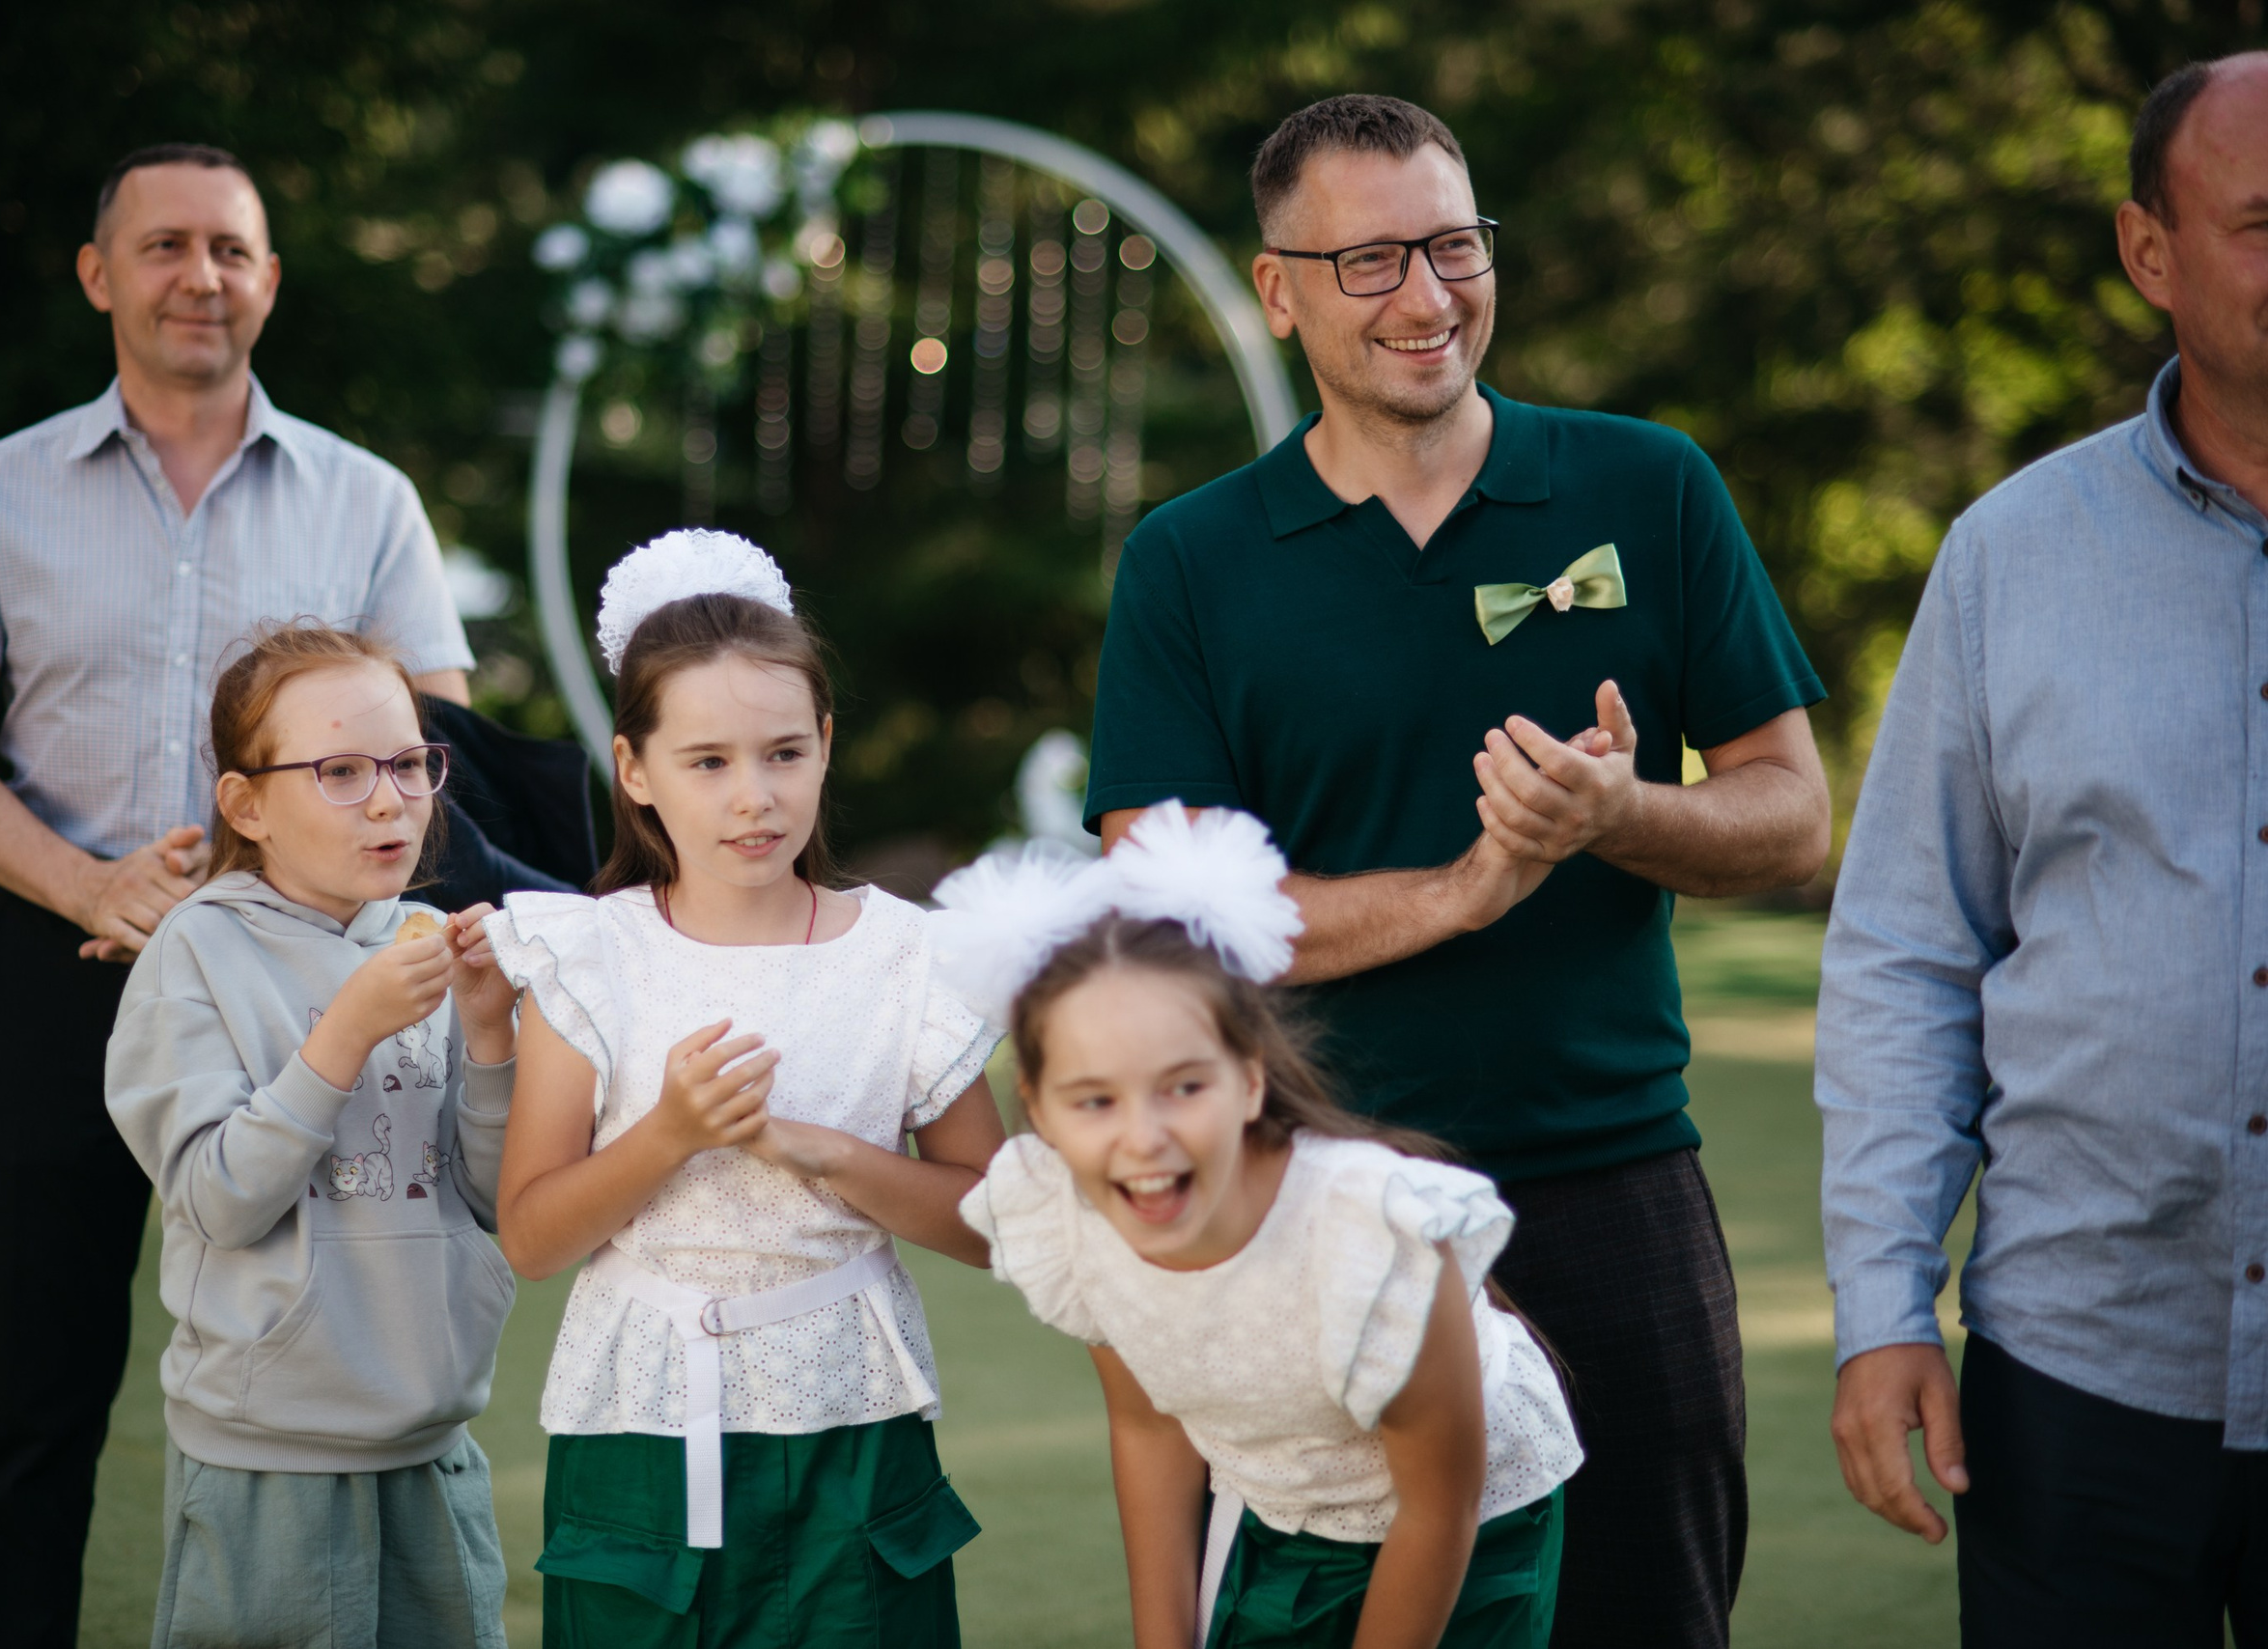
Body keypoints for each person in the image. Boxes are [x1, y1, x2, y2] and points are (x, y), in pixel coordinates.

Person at [1084, 94, 1829, 1647]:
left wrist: (1615, 818)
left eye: (1453, 244)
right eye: (1369, 263)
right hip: (1304, 1207)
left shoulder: (1650, 487)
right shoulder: (1191, 560)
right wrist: (1466, 887)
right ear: (1278, 291)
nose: (1428, 297)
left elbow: (1790, 814)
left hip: (1615, 1180)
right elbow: (1167, 922)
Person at [0, 142, 474, 1646]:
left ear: (268, 280)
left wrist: (269, 875)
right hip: (54, 961)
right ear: (100, 275)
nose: (197, 275)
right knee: (37, 1390)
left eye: (228, 248)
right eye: (163, 246)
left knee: (318, 1347)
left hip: (306, 976)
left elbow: (432, 741)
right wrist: (94, 881)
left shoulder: (368, 497)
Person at [1817, 53, 2268, 1646]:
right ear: (2152, 251)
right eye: (2265, 222)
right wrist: (1881, 1310)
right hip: (2078, 1381)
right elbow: (1908, 952)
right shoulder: (2011, 555)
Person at [483, 529, 1009, 1648]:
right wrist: (667, 1133)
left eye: (782, 753)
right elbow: (529, 1236)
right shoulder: (588, 953)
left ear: (825, 745)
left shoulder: (908, 955)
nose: (753, 797)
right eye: (707, 761)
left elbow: (999, 1222)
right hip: (639, 1432)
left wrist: (834, 1157)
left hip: (851, 1425)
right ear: (635, 771)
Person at [941, 803, 1582, 1649]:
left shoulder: (1369, 1236)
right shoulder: (1072, 1217)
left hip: (1471, 1529)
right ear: (1040, 1111)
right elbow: (1148, 1422)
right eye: (1095, 1099)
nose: (1143, 1138)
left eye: (1184, 1087)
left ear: (1248, 1081)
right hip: (1283, 1506)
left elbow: (1440, 1507)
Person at [105, 624, 518, 1647]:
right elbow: (218, 1195)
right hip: (266, 1452)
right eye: (339, 770)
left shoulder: (427, 942)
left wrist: (488, 1034)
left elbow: (492, 1194)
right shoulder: (194, 950)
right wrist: (346, 1029)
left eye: (410, 763)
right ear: (247, 804)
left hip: (432, 1442)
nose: (389, 798)